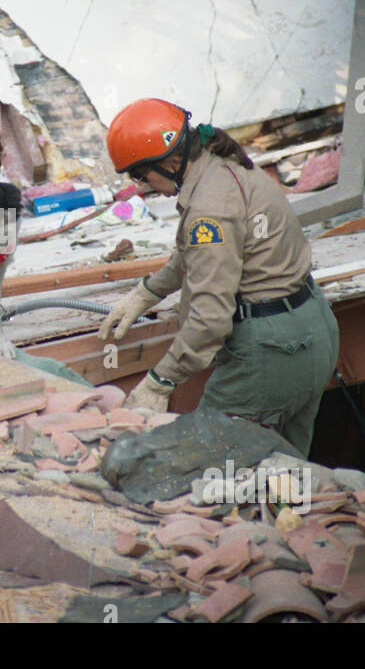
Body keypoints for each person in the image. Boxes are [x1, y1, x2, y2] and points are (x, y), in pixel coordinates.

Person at [97, 98, 338, 455]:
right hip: (312, 329)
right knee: (285, 473)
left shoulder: (208, 209)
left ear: (170, 161)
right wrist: (147, 292)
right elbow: (201, 252)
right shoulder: (222, 165)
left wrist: (160, 382)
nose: (142, 185)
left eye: (139, 174)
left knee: (209, 470)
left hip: (271, 353)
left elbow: (210, 320)